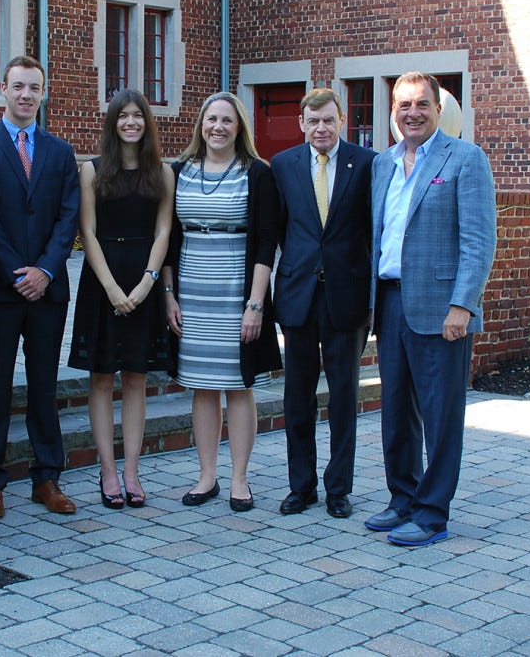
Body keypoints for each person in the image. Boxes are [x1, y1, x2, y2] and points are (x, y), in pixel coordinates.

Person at [368, 71, 497, 547]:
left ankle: (431, 513)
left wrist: (463, 305)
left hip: (442, 307)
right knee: (396, 410)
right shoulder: (383, 164)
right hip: (390, 300)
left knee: (441, 413)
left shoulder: (465, 159)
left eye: (422, 104)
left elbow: (479, 240)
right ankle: (402, 497)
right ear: (393, 111)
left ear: (439, 110)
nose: (413, 113)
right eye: (404, 105)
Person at [0, 55, 80, 519]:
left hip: (47, 292)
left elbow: (67, 216)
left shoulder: (59, 152)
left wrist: (45, 271)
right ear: (3, 89)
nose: (26, 95)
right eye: (18, 86)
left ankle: (47, 478)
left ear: (44, 91)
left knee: (43, 387)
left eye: (35, 87)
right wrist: (18, 272)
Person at [162, 91, 281, 512]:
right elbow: (170, 239)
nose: (218, 127)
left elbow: (267, 243)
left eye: (227, 120)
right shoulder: (179, 171)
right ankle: (207, 475)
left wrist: (256, 304)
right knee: (202, 386)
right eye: (211, 119)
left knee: (238, 385)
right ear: (201, 124)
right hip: (193, 292)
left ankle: (239, 479)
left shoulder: (257, 174)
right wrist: (169, 294)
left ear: (239, 127)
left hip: (236, 292)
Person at [271, 88, 375, 519]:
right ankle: (302, 486)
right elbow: (279, 231)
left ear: (343, 119)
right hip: (298, 297)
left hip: (346, 298)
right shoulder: (282, 166)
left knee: (344, 396)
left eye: (328, 120)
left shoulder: (367, 165)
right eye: (313, 121)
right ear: (301, 123)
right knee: (297, 397)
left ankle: (338, 489)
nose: (321, 128)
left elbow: (373, 229)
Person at [68, 89, 175, 509]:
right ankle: (107, 469)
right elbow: (87, 233)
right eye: (123, 116)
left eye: (138, 116)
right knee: (100, 376)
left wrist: (148, 283)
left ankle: (131, 470)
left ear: (147, 123)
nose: (131, 122)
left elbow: (164, 232)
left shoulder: (162, 173)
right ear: (112, 123)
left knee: (135, 377)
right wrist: (112, 287)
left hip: (143, 280)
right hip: (102, 281)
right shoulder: (92, 171)